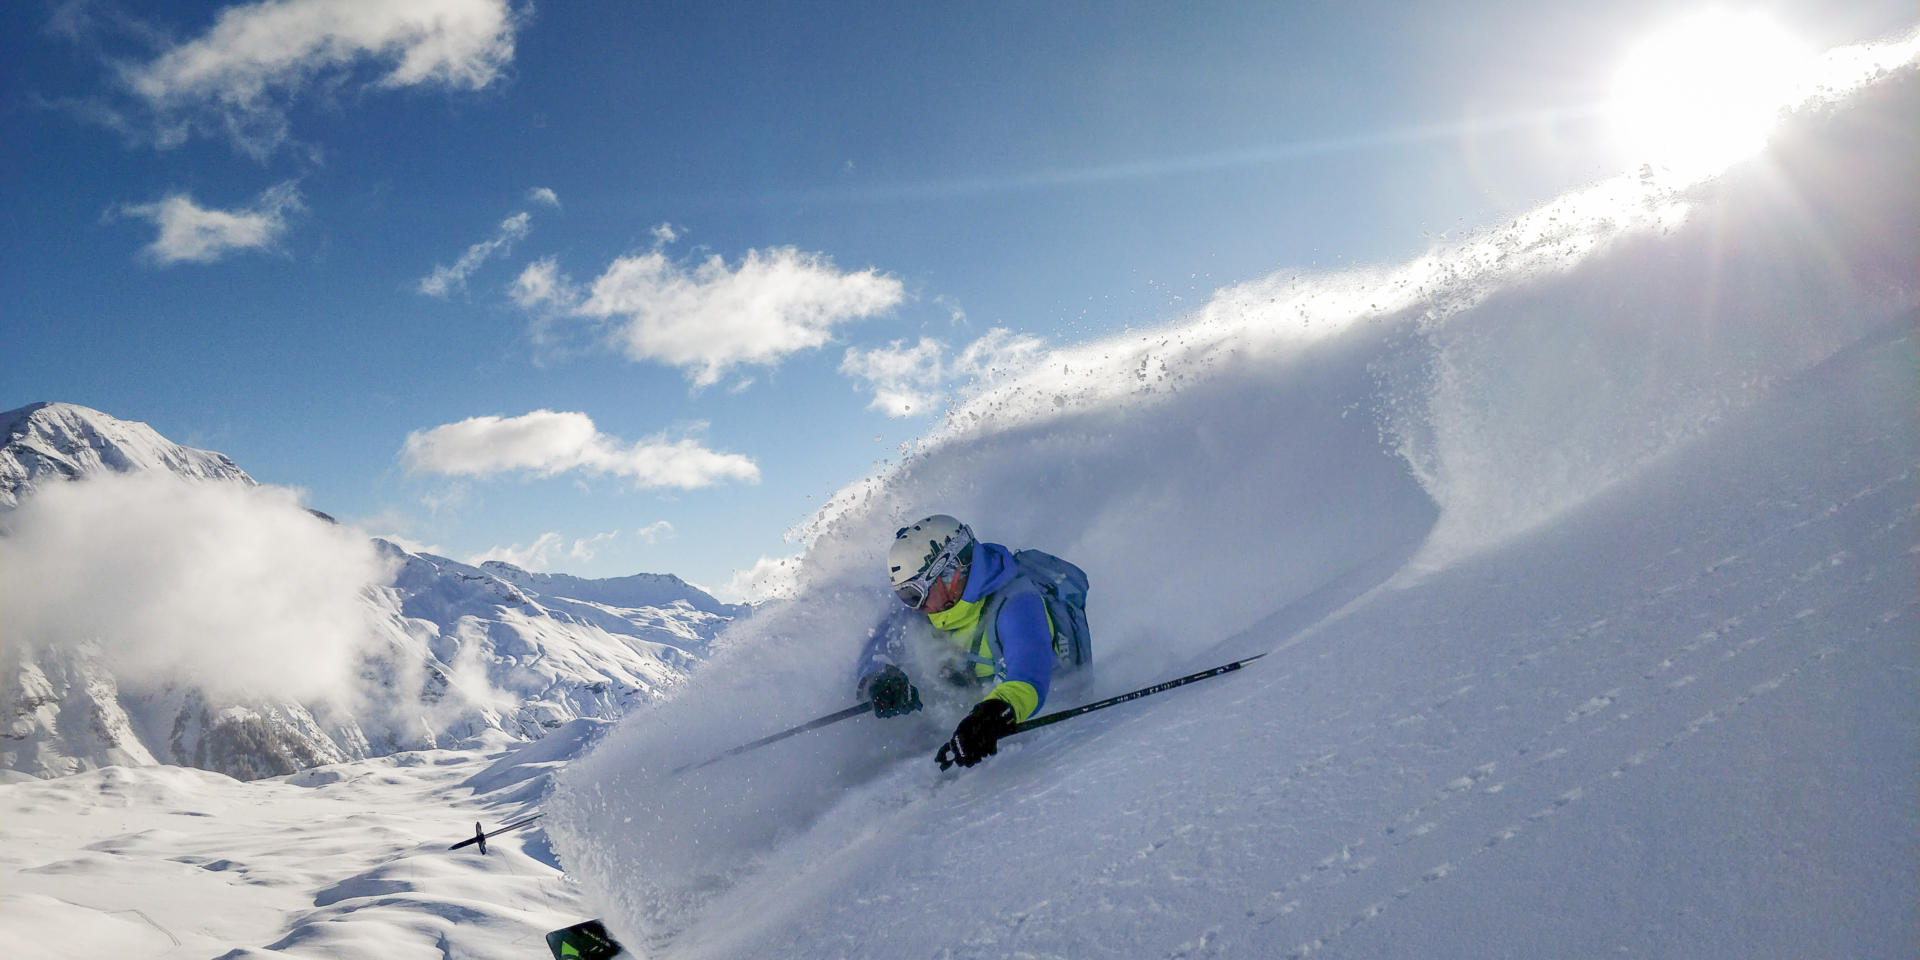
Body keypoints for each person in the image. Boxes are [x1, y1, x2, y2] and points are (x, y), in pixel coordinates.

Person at [852, 514, 1084, 769]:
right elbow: (881, 642)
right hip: (967, 698)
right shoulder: (930, 608)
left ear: (949, 573)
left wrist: (992, 717)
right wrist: (878, 678)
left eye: (915, 594)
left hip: (1038, 714)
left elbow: (1028, 675)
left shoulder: (1017, 603)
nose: (914, 607)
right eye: (905, 596)